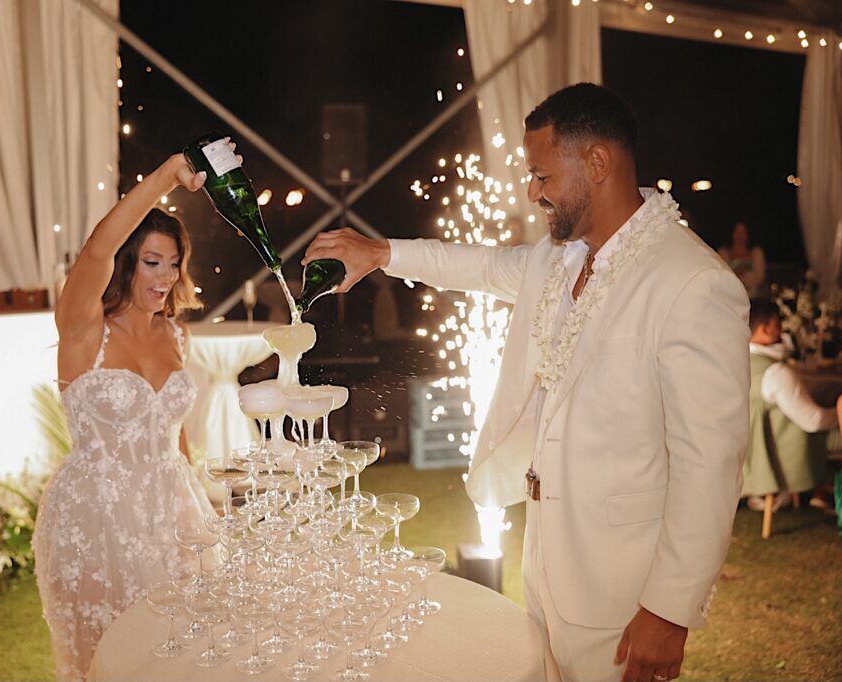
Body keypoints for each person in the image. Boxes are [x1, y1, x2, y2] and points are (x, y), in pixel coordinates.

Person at [304, 83, 750, 682]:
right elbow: (479, 265)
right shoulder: (558, 260)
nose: (533, 192)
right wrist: (382, 252)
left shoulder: (692, 281)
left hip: (621, 587)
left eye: (542, 175)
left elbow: (710, 463)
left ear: (597, 163)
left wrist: (669, 611)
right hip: (543, 559)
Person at [32, 151, 214, 681]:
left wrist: (202, 504)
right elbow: (95, 249)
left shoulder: (176, 333)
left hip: (173, 518)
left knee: (185, 658)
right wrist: (168, 174)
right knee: (110, 665)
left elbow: (172, 436)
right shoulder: (85, 326)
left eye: (174, 263)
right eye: (152, 262)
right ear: (126, 262)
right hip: (97, 521)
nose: (166, 277)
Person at [744, 299, 839, 511]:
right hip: (787, 454)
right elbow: (814, 422)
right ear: (765, 328)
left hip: (754, 452)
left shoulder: (737, 364)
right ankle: (823, 491)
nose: (781, 330)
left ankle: (820, 493)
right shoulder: (775, 373)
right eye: (777, 324)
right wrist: (838, 415)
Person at [718, 221, 766, 297]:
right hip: (729, 297)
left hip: (752, 299)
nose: (740, 236)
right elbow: (722, 278)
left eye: (743, 233)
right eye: (737, 232)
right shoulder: (724, 253)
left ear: (747, 235)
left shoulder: (756, 253)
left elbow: (759, 278)